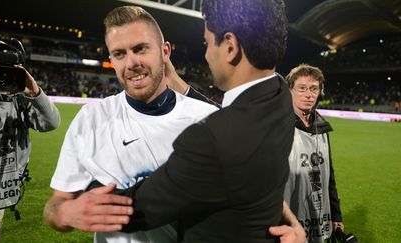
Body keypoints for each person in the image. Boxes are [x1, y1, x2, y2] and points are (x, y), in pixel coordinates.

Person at [44, 4, 304, 243]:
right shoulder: (89, 120)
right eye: (119, 54)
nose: (131, 63)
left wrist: (285, 217)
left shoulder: (206, 123)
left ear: (165, 52)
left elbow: (245, 175)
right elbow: (56, 205)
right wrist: (65, 213)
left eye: (141, 49)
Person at [0, 56, 60, 242]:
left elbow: (51, 122)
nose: (4, 75)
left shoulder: (18, 102)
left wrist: (35, 91)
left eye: (9, 69)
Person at [283, 64, 344, 242]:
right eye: (302, 88)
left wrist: (336, 215)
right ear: (290, 91)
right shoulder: (278, 126)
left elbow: (329, 175)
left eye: (314, 89)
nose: (308, 94)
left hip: (319, 216)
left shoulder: (322, 127)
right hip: (287, 216)